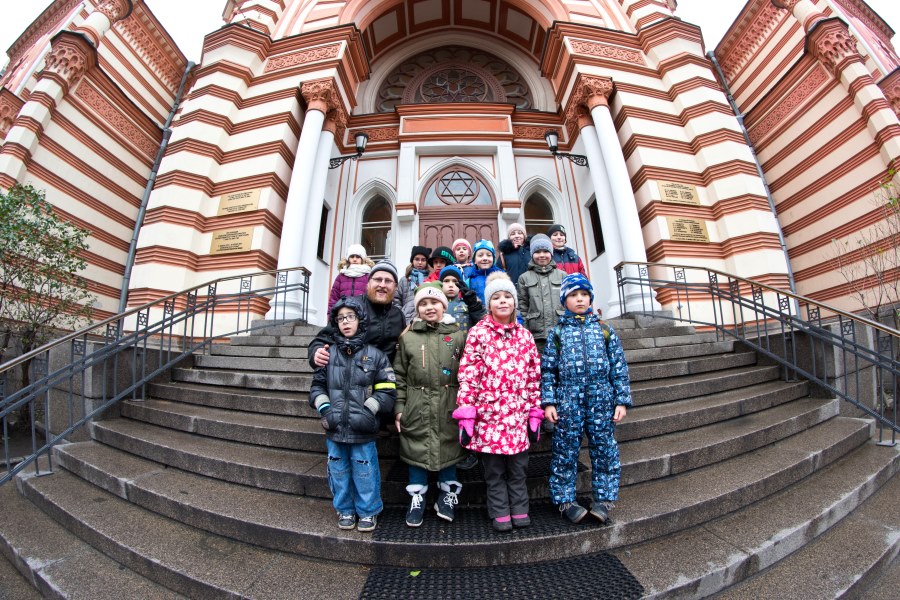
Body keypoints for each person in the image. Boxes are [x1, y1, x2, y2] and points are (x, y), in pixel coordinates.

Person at [541, 273, 632, 525]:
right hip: (568, 398)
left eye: (584, 295)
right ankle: (565, 500)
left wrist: (621, 400)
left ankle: (603, 500)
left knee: (604, 449)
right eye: (573, 295)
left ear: (590, 298)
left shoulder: (604, 330)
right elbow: (548, 371)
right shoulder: (557, 334)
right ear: (565, 301)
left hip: (601, 397)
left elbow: (619, 367)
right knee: (565, 450)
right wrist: (549, 402)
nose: (579, 299)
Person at [455, 272, 543, 532]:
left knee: (518, 469)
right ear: (489, 303)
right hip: (490, 415)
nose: (503, 302)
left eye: (507, 297)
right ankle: (500, 512)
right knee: (494, 472)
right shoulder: (478, 333)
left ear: (515, 303)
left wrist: (535, 410)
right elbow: (468, 373)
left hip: (517, 414)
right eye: (496, 297)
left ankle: (519, 508)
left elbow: (532, 375)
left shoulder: (525, 336)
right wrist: (467, 412)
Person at [308, 297, 397, 532]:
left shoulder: (376, 356)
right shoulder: (329, 355)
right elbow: (317, 387)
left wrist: (369, 411)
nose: (345, 322)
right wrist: (326, 410)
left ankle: (368, 510)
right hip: (335, 427)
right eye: (340, 319)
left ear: (361, 320)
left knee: (365, 470)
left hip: (364, 429)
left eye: (350, 317)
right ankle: (345, 509)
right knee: (338, 470)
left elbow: (387, 390)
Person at [393, 283, 467, 527]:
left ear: (444, 305)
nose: (429, 307)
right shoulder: (408, 337)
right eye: (423, 304)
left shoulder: (457, 335)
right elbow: (400, 375)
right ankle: (418, 497)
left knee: (448, 446)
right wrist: (400, 407)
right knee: (416, 447)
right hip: (417, 404)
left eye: (434, 302)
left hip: (449, 403)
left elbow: (467, 371)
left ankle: (447, 495)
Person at [308, 260, 406, 368]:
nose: (382, 284)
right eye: (377, 279)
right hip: (352, 379)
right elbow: (322, 339)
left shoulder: (399, 315)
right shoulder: (351, 307)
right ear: (368, 283)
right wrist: (316, 353)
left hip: (384, 380)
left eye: (388, 281)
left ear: (395, 287)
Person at [517, 234, 564, 354]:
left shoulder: (563, 275)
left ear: (551, 253)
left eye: (545, 251)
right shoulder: (524, 278)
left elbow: (568, 302)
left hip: (561, 331)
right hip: (536, 335)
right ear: (532, 254)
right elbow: (522, 306)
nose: (542, 255)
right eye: (537, 252)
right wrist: (526, 330)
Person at [327, 244, 374, 313]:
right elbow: (334, 298)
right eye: (352, 256)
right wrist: (331, 317)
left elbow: (371, 299)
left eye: (358, 257)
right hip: (344, 314)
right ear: (348, 259)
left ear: (362, 259)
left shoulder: (367, 277)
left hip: (362, 314)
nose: (354, 259)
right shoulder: (341, 276)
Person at [439, 265, 485, 334]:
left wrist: (474, 306)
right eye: (446, 281)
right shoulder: (436, 305)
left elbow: (482, 323)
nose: (451, 285)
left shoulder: (468, 304)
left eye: (455, 281)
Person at [463, 239, 504, 306]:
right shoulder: (469, 281)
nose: (485, 258)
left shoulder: (501, 278)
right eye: (480, 255)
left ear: (493, 259)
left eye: (488, 255)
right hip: (478, 314)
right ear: (474, 260)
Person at [397, 246, 432, 323]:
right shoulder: (404, 280)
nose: (420, 262)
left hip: (426, 318)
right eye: (417, 259)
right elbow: (396, 299)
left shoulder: (430, 279)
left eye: (423, 260)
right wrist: (400, 314)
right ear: (412, 261)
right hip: (406, 319)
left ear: (426, 262)